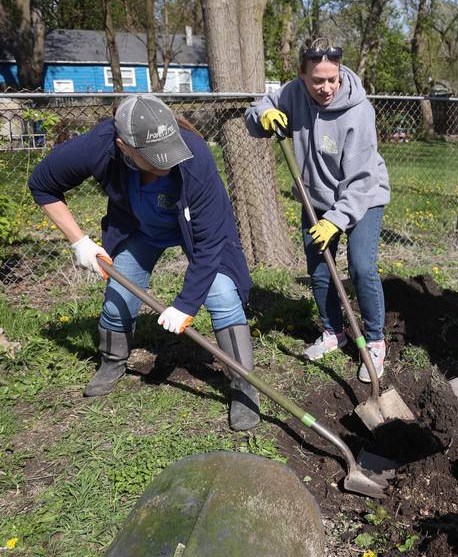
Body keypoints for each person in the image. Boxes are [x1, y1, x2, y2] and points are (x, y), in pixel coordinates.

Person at [28, 94, 261, 431]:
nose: (165, 164)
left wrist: (185, 304)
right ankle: (112, 362)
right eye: (154, 158)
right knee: (119, 297)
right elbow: (42, 185)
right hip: (138, 228)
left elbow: (210, 243)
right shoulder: (98, 147)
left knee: (223, 295)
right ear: (124, 146)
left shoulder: (195, 156)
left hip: (195, 234)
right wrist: (79, 241)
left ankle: (243, 386)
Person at [244, 37, 391, 382]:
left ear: (340, 73)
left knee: (360, 266)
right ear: (302, 75)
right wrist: (264, 115)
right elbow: (255, 110)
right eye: (317, 80)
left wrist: (336, 221)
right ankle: (333, 332)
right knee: (320, 268)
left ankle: (374, 340)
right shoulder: (293, 92)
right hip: (316, 199)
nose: (326, 88)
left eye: (332, 79)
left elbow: (360, 181)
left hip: (363, 197)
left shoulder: (359, 111)